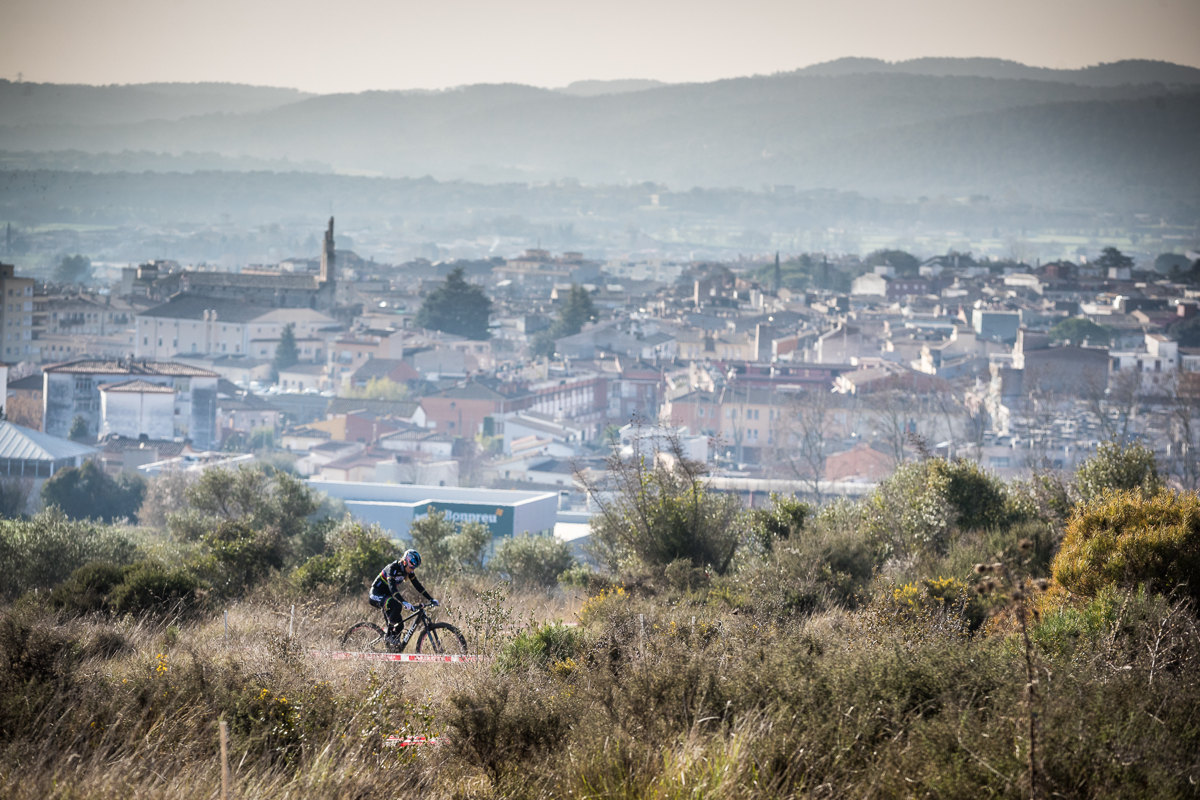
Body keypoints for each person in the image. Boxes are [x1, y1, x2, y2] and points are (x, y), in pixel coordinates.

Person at [369, 549, 438, 635]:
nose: (412, 570)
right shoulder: (392, 568)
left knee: (400, 626)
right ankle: (388, 634)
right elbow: (392, 588)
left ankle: (392, 646)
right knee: (397, 606)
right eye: (411, 567)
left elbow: (418, 586)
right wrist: (403, 602)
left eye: (414, 568)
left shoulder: (408, 571)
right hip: (375, 594)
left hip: (387, 596)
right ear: (405, 562)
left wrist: (431, 599)